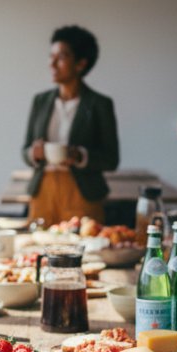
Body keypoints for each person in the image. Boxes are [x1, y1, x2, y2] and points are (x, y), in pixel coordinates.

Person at [22, 25, 120, 226]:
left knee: (86, 250)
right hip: (42, 191)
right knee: (38, 249)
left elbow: (112, 159)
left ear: (80, 63)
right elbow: (25, 150)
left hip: (83, 192)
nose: (52, 63)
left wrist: (80, 155)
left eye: (61, 57)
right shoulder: (40, 101)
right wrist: (34, 153)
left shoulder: (100, 104)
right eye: (51, 56)